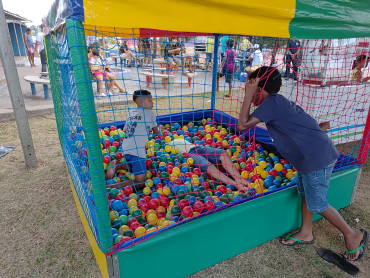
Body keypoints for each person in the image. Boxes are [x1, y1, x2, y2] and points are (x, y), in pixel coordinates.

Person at [237, 66, 368, 261]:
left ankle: (352, 234)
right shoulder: (276, 102)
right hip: (310, 157)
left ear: (259, 87)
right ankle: (306, 232)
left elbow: (242, 125)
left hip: (316, 158)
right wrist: (318, 130)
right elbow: (300, 118)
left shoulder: (271, 102)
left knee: (319, 203)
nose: (247, 89)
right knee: (306, 193)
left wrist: (248, 95)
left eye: (250, 84)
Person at [106, 90, 161, 190]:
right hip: (137, 151)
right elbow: (157, 133)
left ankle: (118, 164)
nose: (152, 103)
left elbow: (125, 130)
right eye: (149, 100)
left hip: (126, 148)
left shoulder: (131, 113)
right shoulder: (150, 113)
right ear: (140, 102)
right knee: (140, 182)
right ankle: (112, 186)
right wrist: (162, 131)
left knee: (133, 167)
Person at [168, 138, 248, 191]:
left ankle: (238, 178)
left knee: (223, 153)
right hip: (188, 154)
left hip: (198, 147)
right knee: (208, 166)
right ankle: (235, 184)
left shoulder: (178, 137)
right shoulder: (165, 144)